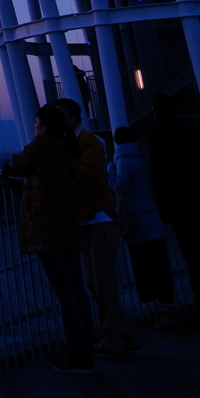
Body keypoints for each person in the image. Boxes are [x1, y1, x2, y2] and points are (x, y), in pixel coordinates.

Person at [10, 104, 94, 374]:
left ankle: (79, 354)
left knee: (65, 293)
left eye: (36, 122)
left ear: (44, 126)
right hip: (68, 227)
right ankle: (86, 345)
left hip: (48, 228)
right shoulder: (66, 147)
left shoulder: (41, 147)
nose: (34, 126)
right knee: (77, 288)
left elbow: (18, 164)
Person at [55, 98, 135, 355]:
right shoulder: (76, 142)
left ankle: (114, 337)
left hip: (98, 219)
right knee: (95, 281)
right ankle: (118, 332)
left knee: (102, 281)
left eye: (60, 116)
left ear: (74, 117)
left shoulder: (88, 141)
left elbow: (91, 172)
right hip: (88, 220)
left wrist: (65, 169)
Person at [149, 93, 200, 326]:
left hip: (178, 204)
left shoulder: (157, 136)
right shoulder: (188, 132)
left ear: (156, 111)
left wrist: (164, 203)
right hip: (197, 200)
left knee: (192, 257)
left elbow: (161, 174)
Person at [108, 126, 176, 330]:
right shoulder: (143, 159)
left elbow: (121, 188)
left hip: (136, 222)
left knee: (144, 264)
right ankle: (167, 307)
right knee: (161, 264)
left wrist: (110, 172)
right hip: (152, 218)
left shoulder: (123, 162)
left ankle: (160, 308)